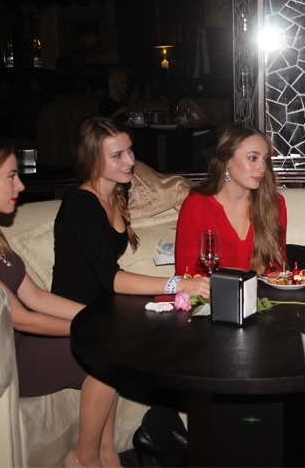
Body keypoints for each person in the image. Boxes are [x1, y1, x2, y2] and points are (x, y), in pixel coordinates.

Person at [0, 133, 123, 467]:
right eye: (11, 176)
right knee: (106, 352)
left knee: (111, 345)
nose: (21, 186)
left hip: (20, 345)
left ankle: (107, 454)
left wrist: (97, 316)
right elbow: (22, 318)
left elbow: (36, 297)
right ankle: (84, 457)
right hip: (3, 360)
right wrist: (91, 329)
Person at [51, 116, 209, 466]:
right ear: (93, 160)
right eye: (118, 155)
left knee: (169, 329)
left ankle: (109, 454)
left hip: (101, 309)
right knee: (111, 357)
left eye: (130, 151)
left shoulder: (116, 194)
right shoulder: (80, 204)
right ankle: (82, 456)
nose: (130, 161)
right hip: (72, 310)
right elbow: (111, 278)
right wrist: (176, 283)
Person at [174, 124, 287, 276]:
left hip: (260, 290)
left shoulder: (274, 203)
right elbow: (185, 272)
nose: (262, 168)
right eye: (253, 158)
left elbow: (278, 267)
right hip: (210, 290)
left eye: (265, 159)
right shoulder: (196, 204)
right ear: (228, 160)